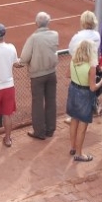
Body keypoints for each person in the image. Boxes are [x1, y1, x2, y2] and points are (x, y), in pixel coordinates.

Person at [16, 11, 59, 139]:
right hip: (52, 72)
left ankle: (39, 132)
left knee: (37, 103)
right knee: (51, 100)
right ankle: (50, 129)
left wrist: (20, 63)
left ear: (36, 23)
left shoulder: (33, 38)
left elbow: (24, 57)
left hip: (37, 75)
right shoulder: (55, 35)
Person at [67, 40, 102, 162]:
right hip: (85, 94)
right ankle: (79, 154)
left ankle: (73, 147)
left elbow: (67, 75)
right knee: (83, 125)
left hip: (73, 90)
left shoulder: (73, 61)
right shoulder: (90, 67)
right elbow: (93, 87)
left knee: (74, 119)